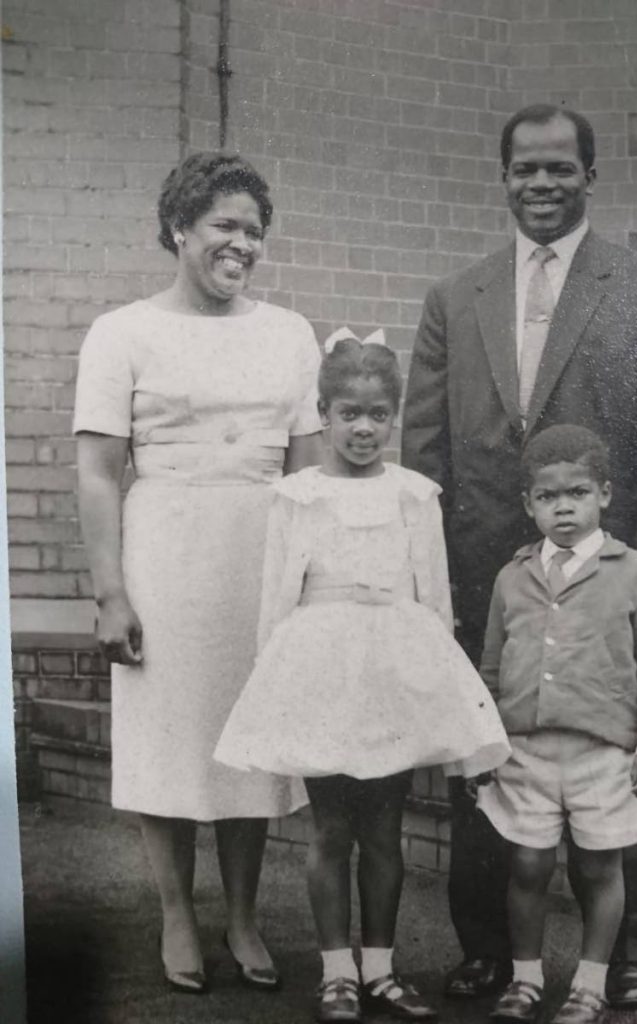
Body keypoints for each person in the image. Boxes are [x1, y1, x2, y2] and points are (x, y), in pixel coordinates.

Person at [401, 104, 637, 1008]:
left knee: (624, 761)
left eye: (559, 169)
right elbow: (425, 454)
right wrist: (429, 588)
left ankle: (634, 952)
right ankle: (492, 949)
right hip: (487, 586)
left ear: (589, 175)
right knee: (486, 768)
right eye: (525, 169)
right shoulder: (455, 298)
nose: (541, 184)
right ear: (502, 178)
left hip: (611, 579)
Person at [74, 152, 324, 995]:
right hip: (165, 553)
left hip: (260, 555)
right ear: (179, 229)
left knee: (249, 742)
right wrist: (111, 591)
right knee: (171, 740)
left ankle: (245, 916)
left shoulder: (289, 332)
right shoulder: (122, 332)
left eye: (254, 231)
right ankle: (178, 912)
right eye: (225, 226)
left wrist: (313, 582)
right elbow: (100, 472)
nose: (242, 245)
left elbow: (310, 469)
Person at [215, 330, 511, 1023]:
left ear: (395, 417)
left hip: (394, 669)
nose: (364, 428)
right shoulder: (296, 496)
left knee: (383, 828)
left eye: (378, 414)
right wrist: (274, 682)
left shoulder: (415, 494)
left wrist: (440, 686)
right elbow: (276, 600)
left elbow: (434, 600)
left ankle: (380, 966)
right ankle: (335, 971)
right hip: (319, 668)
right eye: (349, 413)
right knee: (329, 830)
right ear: (323, 413)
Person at [477, 425, 637, 1024]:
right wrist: (483, 747)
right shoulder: (512, 577)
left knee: (599, 866)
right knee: (528, 865)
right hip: (526, 753)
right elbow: (490, 670)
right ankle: (525, 978)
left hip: (604, 753)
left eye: (579, 492)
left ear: (606, 495)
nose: (563, 507)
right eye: (547, 496)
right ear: (527, 505)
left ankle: (591, 983)